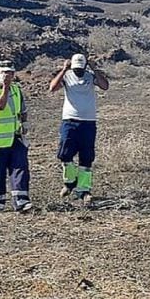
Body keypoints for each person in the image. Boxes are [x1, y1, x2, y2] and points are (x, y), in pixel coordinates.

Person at [49, 53, 109, 203]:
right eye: (76, 69)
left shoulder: (90, 76)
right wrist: (64, 70)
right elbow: (52, 88)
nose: (78, 72)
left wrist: (94, 69)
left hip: (88, 122)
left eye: (80, 69)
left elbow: (105, 86)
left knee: (86, 157)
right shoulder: (67, 76)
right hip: (69, 120)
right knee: (64, 154)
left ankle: (83, 189)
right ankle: (69, 182)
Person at [0, 59, 32, 214]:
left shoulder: (16, 89)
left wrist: (24, 123)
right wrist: (5, 87)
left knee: (20, 168)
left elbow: (22, 109)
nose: (7, 75)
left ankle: (21, 200)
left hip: (15, 136)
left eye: (10, 73)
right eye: (4, 72)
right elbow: (0, 105)